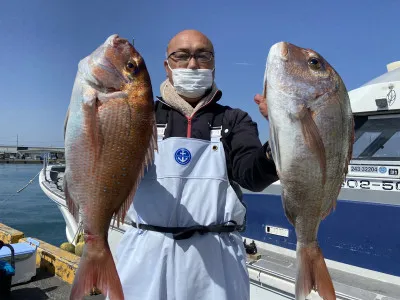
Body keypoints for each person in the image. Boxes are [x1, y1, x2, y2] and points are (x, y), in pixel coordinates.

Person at [113, 29, 279, 300]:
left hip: (218, 260)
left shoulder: (234, 120)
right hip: (145, 255)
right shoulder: (140, 116)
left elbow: (252, 176)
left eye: (203, 56)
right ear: (167, 66)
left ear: (213, 65)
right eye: (181, 56)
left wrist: (284, 131)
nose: (192, 64)